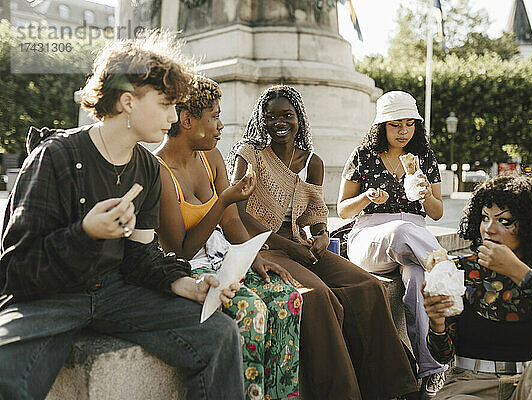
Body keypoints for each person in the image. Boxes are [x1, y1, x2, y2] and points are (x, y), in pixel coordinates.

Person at [0, 32, 245, 399]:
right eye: (165, 104)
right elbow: (16, 267)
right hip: (52, 296)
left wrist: (183, 284)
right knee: (7, 372)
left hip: (116, 292)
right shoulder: (57, 157)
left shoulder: (147, 167)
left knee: (219, 334)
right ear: (128, 100)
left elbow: (140, 255)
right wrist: (85, 233)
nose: (175, 117)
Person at [228, 85, 418, 400]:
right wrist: (289, 246)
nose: (279, 122)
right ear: (260, 120)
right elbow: (237, 213)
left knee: (367, 286)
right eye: (271, 116)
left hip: (300, 247)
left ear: (299, 118)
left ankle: (395, 389)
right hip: (262, 247)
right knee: (318, 297)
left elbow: (317, 211)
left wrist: (321, 234)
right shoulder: (250, 154)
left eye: (287, 115)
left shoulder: (312, 161)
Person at [155, 76, 302, 400]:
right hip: (189, 271)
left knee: (285, 297)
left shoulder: (212, 156)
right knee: (252, 311)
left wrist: (257, 259)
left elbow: (232, 222)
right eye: (215, 116)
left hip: (224, 257)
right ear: (187, 119)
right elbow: (180, 251)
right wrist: (223, 201)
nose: (221, 126)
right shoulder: (160, 171)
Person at [423, 173, 532, 400]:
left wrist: (519, 273)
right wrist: (436, 323)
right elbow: (442, 355)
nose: (489, 229)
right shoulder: (458, 269)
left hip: (531, 384)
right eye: (485, 218)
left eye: (504, 221)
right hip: (470, 385)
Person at [337, 90, 446, 397]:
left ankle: (431, 369)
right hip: (370, 238)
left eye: (410, 124)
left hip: (415, 238)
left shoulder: (424, 157)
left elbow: (436, 213)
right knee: (400, 230)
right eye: (396, 124)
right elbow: (342, 209)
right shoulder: (363, 155)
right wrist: (366, 197)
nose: (403, 131)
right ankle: (447, 270)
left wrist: (425, 193)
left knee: (418, 280)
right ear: (381, 125)